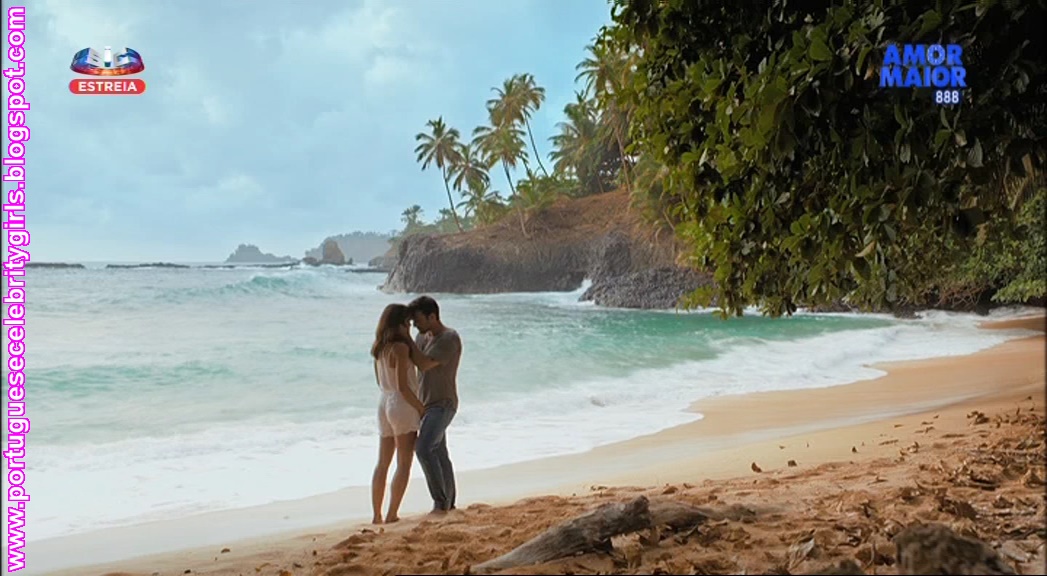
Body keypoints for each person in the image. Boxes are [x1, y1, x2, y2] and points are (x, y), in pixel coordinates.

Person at [369, 303, 426, 524]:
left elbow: (380, 382)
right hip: (401, 404)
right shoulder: (401, 348)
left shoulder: (379, 348)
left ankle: (376, 515)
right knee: (404, 462)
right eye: (408, 323)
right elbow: (404, 387)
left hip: (384, 401)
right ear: (401, 324)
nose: (410, 327)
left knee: (382, 463)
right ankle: (392, 513)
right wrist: (421, 408)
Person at [406, 296, 463, 514]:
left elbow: (423, 364)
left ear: (432, 316)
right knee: (439, 452)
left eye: (418, 320)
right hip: (426, 403)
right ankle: (449, 503)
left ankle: (440, 503)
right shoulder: (422, 337)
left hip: (443, 403)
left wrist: (404, 336)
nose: (414, 325)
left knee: (423, 448)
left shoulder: (448, 338)